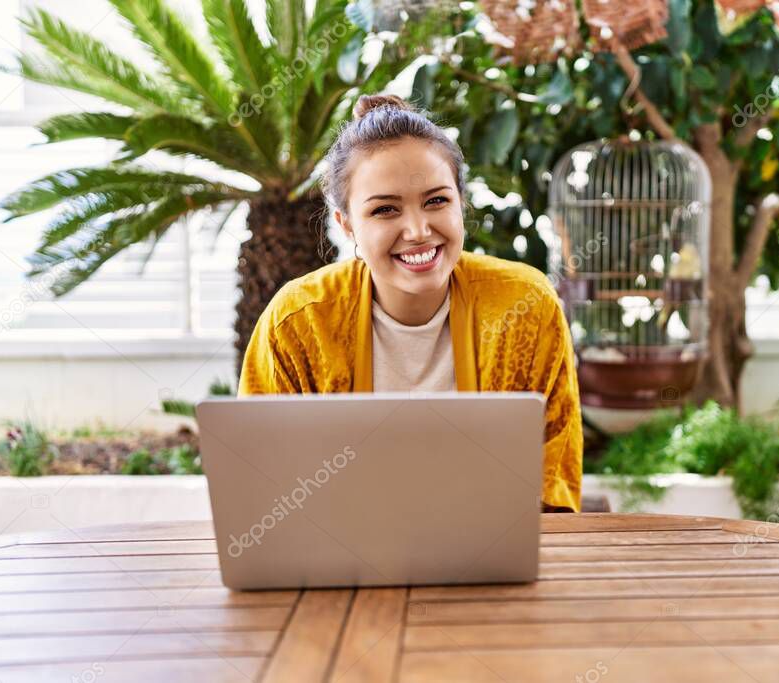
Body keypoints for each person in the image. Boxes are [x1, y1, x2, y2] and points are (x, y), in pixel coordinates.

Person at [238, 94, 582, 512]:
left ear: (461, 202)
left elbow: (553, 480)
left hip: (492, 561)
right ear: (347, 225)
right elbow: (265, 488)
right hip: (341, 565)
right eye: (385, 210)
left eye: (437, 200)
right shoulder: (297, 321)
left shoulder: (525, 304)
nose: (418, 231)